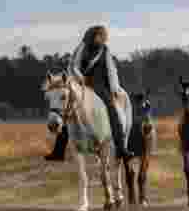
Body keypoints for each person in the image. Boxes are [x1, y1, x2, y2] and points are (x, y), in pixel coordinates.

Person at [44, 25, 133, 161]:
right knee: (67, 111)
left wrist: (114, 88)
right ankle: (58, 152)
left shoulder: (105, 51)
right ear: (92, 36)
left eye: (102, 36)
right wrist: (80, 77)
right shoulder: (82, 48)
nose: (101, 38)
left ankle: (121, 149)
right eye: (98, 36)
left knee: (111, 109)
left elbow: (111, 71)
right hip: (81, 83)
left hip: (100, 85)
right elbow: (73, 66)